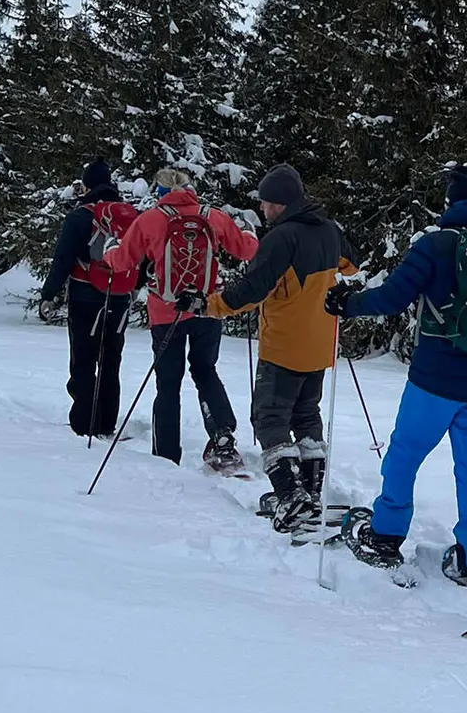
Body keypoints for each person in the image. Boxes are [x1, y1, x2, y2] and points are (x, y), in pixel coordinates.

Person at [326, 165, 467, 591]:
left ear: (451, 203)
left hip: (434, 378)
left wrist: (347, 303)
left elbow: (393, 297)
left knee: (405, 453)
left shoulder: (435, 245)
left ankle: (387, 535)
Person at [216, 164, 355, 532]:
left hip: (284, 345)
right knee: (306, 414)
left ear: (279, 203)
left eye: (265, 203)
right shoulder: (328, 230)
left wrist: (207, 305)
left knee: (269, 418)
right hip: (320, 343)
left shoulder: (282, 237)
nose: (262, 210)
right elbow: (352, 265)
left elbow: (250, 291)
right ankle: (308, 492)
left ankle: (291, 496)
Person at [102, 169, 257, 469]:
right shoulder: (212, 216)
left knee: (168, 383)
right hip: (207, 308)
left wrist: (108, 250)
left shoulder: (150, 219)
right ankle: (222, 437)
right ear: (190, 189)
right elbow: (245, 249)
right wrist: (248, 230)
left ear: (159, 192)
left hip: (165, 310)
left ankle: (166, 455)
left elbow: (122, 262)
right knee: (205, 371)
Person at [38, 157, 138, 439]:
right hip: (119, 295)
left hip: (85, 295)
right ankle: (107, 422)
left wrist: (49, 295)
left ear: (87, 185)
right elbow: (142, 255)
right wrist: (135, 286)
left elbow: (63, 259)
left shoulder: (80, 216)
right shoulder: (128, 214)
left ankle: (84, 423)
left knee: (83, 359)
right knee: (111, 360)